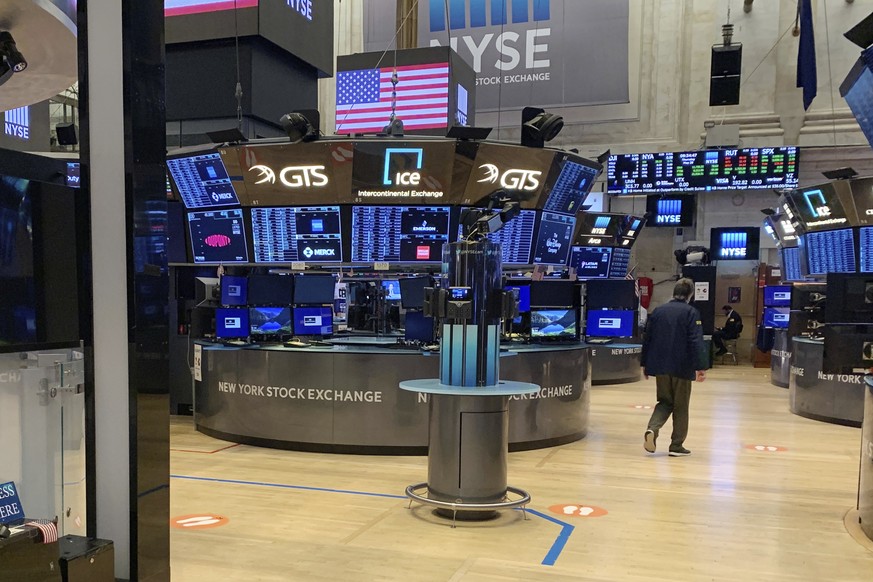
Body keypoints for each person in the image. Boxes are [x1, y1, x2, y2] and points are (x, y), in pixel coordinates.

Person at [640, 278, 706, 457]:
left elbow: (647, 339)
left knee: (664, 401)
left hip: (660, 366)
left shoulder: (658, 311)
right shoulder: (691, 312)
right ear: (690, 295)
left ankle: (652, 429)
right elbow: (695, 340)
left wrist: (645, 364)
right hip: (682, 367)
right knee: (681, 406)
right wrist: (700, 366)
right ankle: (676, 445)